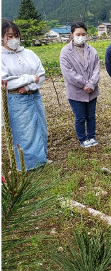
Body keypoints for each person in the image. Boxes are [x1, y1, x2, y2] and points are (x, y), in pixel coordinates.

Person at [1, 19, 48, 171]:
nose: (14, 39)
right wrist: (29, 78)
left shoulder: (29, 53)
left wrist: (28, 86)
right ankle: (27, 165)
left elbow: (40, 74)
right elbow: (6, 81)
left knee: (40, 127)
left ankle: (41, 159)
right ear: (2, 37)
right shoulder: (2, 57)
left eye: (16, 35)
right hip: (16, 99)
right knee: (24, 132)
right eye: (9, 36)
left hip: (34, 95)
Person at [60, 22, 101, 148]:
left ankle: (91, 137)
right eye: (78, 34)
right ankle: (83, 139)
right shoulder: (65, 52)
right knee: (80, 117)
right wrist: (84, 84)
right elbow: (68, 73)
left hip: (92, 90)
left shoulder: (92, 50)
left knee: (91, 116)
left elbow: (96, 69)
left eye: (83, 34)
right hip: (76, 91)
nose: (81, 36)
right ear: (72, 34)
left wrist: (91, 84)